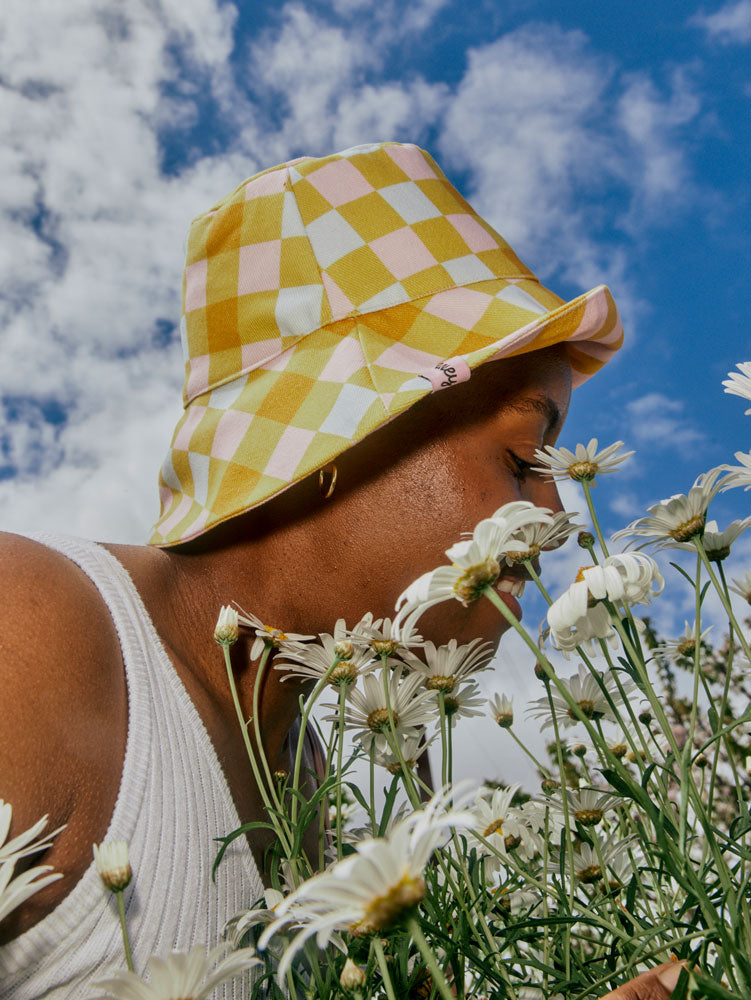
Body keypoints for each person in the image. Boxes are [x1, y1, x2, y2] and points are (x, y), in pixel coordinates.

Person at [0, 142, 673, 999]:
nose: (556, 517)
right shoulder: (28, 626)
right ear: (339, 441)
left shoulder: (322, 796)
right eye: (520, 456)